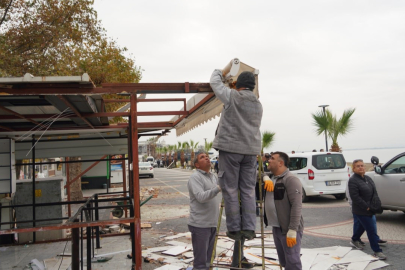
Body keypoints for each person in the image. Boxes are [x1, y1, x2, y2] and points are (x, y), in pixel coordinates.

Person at [210, 69, 263, 241]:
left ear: (238, 85)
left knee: (231, 189)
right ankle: (249, 228)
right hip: (250, 151)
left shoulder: (232, 96)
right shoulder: (258, 104)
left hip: (231, 149)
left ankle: (233, 228)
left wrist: (220, 72)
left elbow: (214, 83)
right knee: (248, 190)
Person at [263, 152, 304, 270]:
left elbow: (297, 206)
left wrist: (292, 230)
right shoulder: (271, 177)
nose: (268, 160)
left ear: (280, 163)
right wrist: (265, 177)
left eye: (272, 159)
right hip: (277, 227)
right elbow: (255, 174)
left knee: (292, 261)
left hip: (288, 229)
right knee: (284, 261)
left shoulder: (290, 179)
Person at [187, 152, 222, 270]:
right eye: (202, 157)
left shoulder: (213, 176)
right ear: (197, 165)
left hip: (212, 223)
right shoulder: (195, 177)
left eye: (207, 156)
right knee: (201, 262)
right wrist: (217, 188)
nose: (207, 158)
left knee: (209, 259)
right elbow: (201, 197)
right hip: (200, 225)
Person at [348, 159, 387, 260]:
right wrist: (367, 207)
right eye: (358, 166)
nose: (361, 167)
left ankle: (354, 239)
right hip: (362, 210)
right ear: (354, 168)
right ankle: (377, 251)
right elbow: (355, 197)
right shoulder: (353, 180)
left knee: (362, 226)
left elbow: (374, 192)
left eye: (362, 165)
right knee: (371, 230)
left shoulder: (368, 178)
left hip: (371, 208)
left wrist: (376, 203)